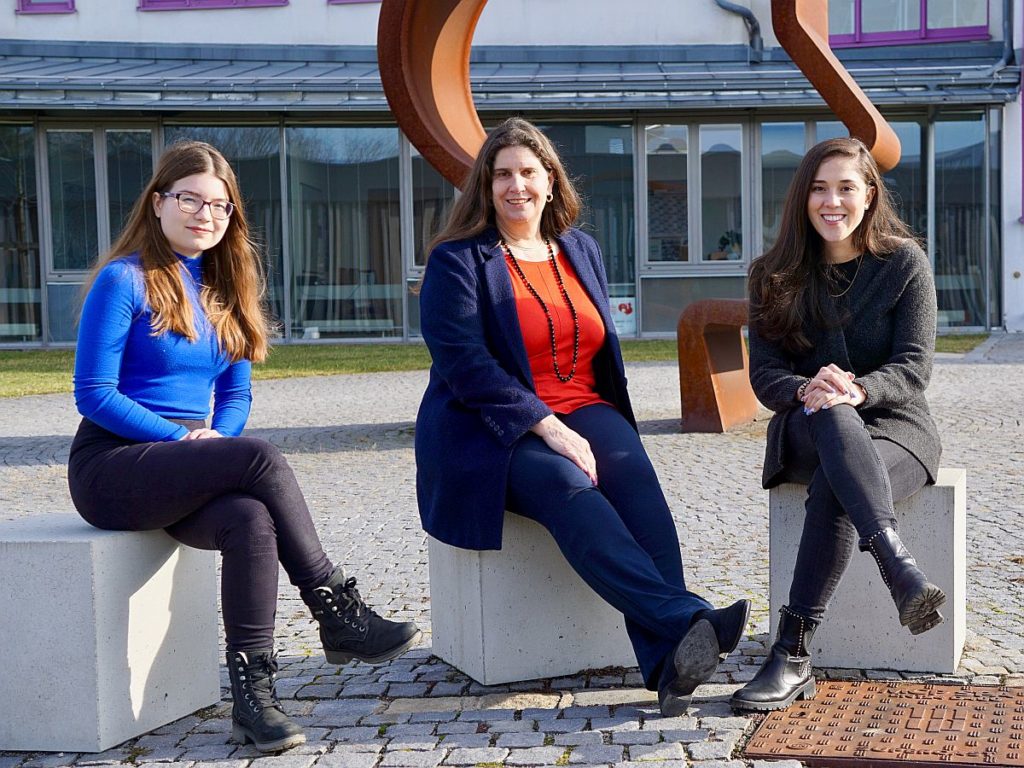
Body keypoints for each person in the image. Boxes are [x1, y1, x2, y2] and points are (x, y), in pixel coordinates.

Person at [69, 140, 420, 752]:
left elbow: (236, 397)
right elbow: (93, 394)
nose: (205, 214)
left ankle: (253, 702)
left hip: (186, 462)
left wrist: (211, 445)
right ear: (157, 204)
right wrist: (185, 440)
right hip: (113, 465)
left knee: (251, 518)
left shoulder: (227, 286)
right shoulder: (122, 280)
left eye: (220, 206)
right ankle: (336, 610)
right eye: (190, 199)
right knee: (260, 458)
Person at [415, 117, 750, 717]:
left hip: (587, 405)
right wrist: (545, 424)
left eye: (527, 172)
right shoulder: (458, 260)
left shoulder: (579, 249)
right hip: (494, 427)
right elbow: (464, 363)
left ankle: (668, 666)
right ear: (485, 187)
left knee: (641, 493)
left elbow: (594, 346)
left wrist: (582, 422)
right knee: (569, 488)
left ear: (550, 180)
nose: (516, 185)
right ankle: (687, 619)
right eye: (502, 175)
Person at [731, 138, 944, 712]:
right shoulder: (772, 274)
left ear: (869, 195)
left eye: (846, 187)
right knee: (831, 415)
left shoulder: (904, 263)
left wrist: (860, 388)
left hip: (897, 430)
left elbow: (914, 365)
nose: (833, 201)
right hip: (807, 425)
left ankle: (791, 652)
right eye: (820, 188)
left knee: (837, 481)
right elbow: (766, 373)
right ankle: (897, 566)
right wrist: (808, 389)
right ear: (803, 198)